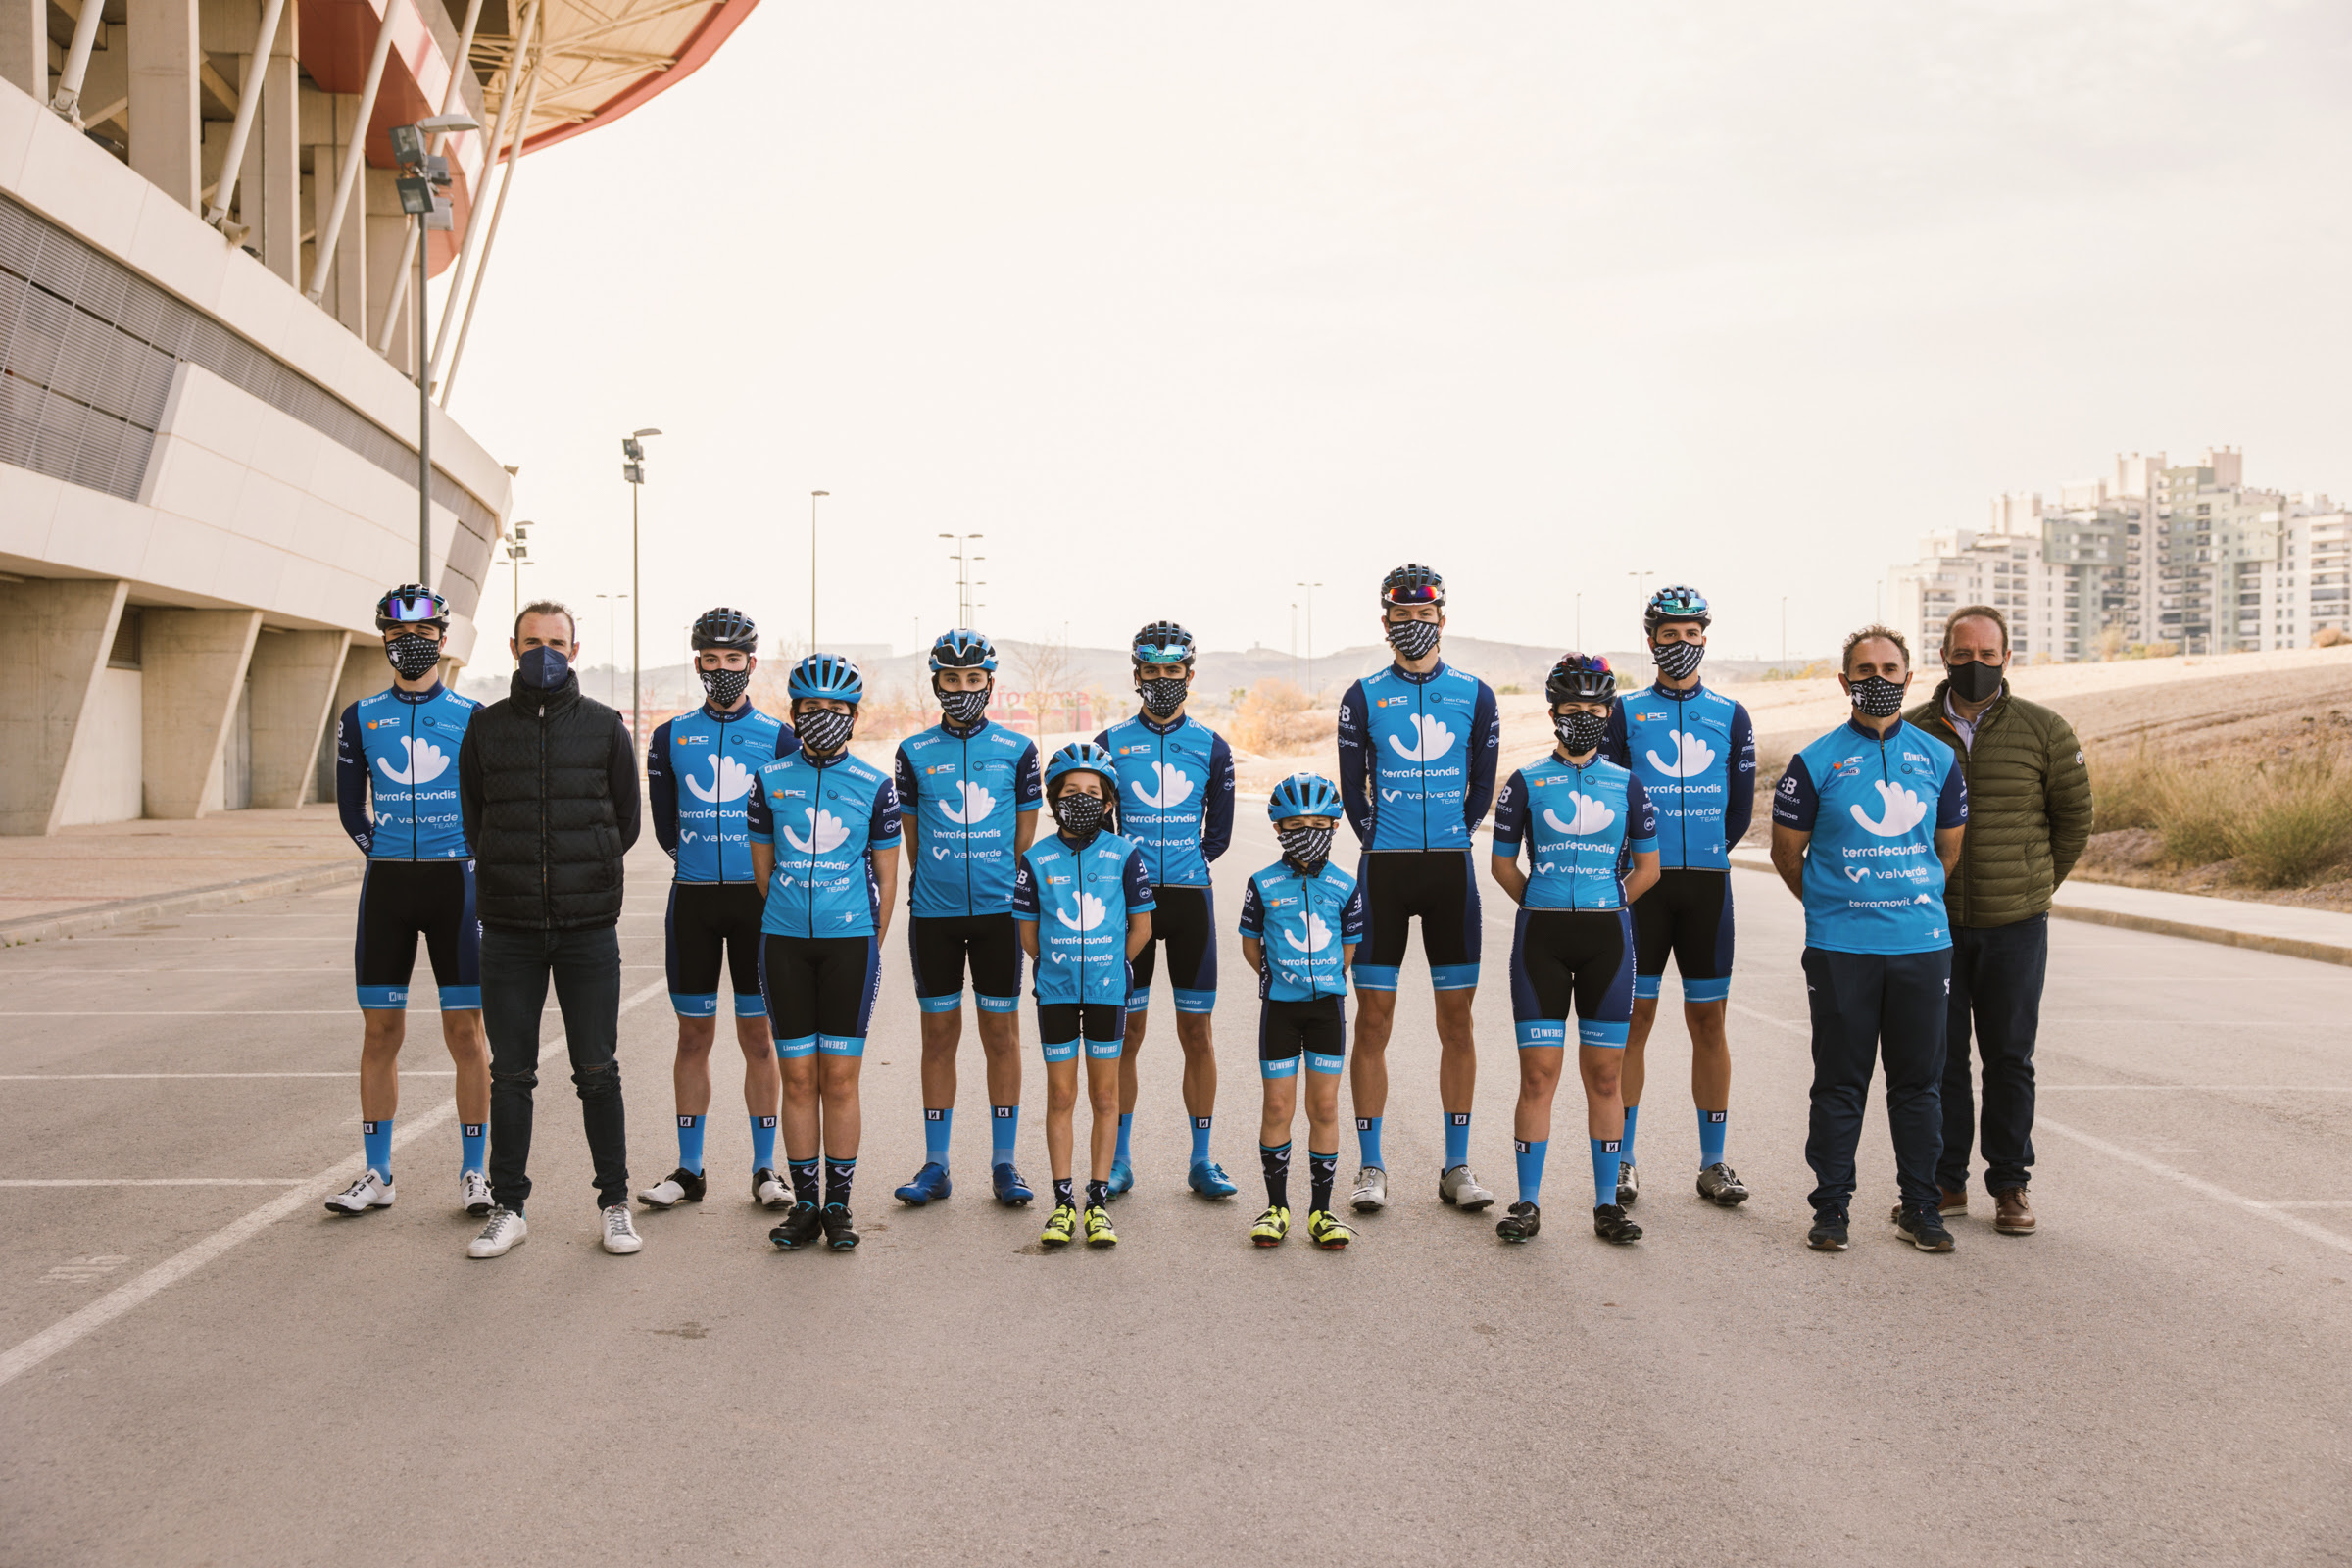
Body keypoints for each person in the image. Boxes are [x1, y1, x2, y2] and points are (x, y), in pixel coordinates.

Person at [1769, 625, 1967, 1254]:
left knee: (1920, 1085)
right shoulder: (1814, 761)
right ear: (1844, 681)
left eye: (1889, 670)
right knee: (1839, 1084)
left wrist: (1908, 900)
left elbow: (1947, 850)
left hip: (1921, 946)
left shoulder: (1939, 759)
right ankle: (1831, 1208)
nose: (1877, 680)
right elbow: (1786, 852)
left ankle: (1920, 1207)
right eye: (1864, 670)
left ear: (1909, 678)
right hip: (1841, 950)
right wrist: (1833, 907)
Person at [456, 601, 644, 1260]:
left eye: (556, 642)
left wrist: (586, 874)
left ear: (575, 650)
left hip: (587, 929)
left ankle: (614, 1205)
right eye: (532, 641)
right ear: (513, 648)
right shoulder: (486, 728)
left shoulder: (603, 726)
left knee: (597, 1071)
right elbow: (475, 817)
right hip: (509, 930)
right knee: (510, 1074)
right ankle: (508, 1208)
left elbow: (626, 822)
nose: (544, 652)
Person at [1905, 605, 2091, 1237]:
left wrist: (2033, 885)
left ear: (2007, 659)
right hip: (1934, 925)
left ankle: (2010, 1183)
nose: (1976, 664)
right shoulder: (1912, 730)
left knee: (2010, 1058)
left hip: (2016, 925)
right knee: (1940, 1059)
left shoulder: (2044, 729)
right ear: (1944, 657)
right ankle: (1946, 1181)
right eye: (1964, 654)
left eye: (1988, 654)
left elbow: (2074, 820)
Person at [1335, 564, 1501, 1214]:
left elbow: (1482, 783)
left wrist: (1458, 831)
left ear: (1441, 618)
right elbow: (1353, 789)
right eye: (1400, 616)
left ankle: (1456, 1166)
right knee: (1372, 1021)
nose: (1413, 625)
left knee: (1456, 1022)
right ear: (1385, 622)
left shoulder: (1475, 694)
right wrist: (1379, 837)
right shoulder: (1362, 696)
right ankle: (1371, 1166)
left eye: (1423, 615)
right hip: (1384, 872)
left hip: (1450, 872)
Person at [324, 584, 490, 1220]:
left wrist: (468, 852)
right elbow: (350, 807)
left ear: (443, 641)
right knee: (380, 1031)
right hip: (388, 887)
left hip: (457, 887)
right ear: (383, 641)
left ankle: (475, 1173)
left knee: (466, 1032)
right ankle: (378, 1173)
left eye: (422, 634)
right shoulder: (360, 716)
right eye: (397, 635)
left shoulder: (473, 715)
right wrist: (385, 849)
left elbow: (490, 802)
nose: (410, 644)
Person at [1490, 655, 1659, 1245]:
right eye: (1571, 707)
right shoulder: (1525, 781)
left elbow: (1648, 868)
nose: (1583, 716)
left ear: (1609, 713)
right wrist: (1542, 901)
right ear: (1553, 713)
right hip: (1541, 938)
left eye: (1594, 707)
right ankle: (1527, 1202)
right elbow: (1502, 865)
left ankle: (1607, 1206)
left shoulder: (1628, 784)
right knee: (1538, 1076)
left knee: (1606, 1077)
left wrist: (1606, 902)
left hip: (1606, 939)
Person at [637, 609, 799, 1214]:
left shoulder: (780, 736)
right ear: (698, 663)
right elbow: (665, 825)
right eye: (712, 659)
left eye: (734, 659)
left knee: (759, 1038)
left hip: (757, 904)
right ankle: (690, 1170)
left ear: (751, 664)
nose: (723, 668)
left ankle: (765, 1170)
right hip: (695, 901)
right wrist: (703, 862)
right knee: (692, 1036)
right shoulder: (669, 736)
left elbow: (788, 821)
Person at [1601, 585, 1757, 1209]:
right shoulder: (1625, 712)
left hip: (1707, 887)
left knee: (1709, 1021)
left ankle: (1713, 1162)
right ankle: (1622, 1160)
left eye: (1692, 633)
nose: (1682, 643)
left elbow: (1739, 811)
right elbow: (1610, 795)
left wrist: (1705, 851)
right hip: (1645, 888)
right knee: (1635, 1021)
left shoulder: (1731, 714)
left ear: (1705, 638)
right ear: (1652, 640)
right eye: (1670, 634)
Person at [747, 654, 902, 1252]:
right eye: (811, 708)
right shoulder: (768, 781)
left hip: (850, 946)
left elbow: (887, 880)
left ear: (854, 716)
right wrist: (797, 912)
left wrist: (866, 938)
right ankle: (805, 1204)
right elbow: (765, 873)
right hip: (784, 943)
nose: (823, 717)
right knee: (797, 1076)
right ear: (794, 713)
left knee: (839, 1078)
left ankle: (838, 1204)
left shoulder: (875, 785)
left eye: (836, 709)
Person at [891, 629, 1042, 1207]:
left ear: (989, 683)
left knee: (1001, 1035)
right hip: (935, 917)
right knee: (938, 1037)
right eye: (950, 679)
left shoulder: (1018, 749)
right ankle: (936, 1164)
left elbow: (1023, 843)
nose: (961, 689)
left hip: (1000, 916)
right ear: (936, 683)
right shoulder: (912, 752)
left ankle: (1005, 1163)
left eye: (973, 679)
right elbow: (913, 840)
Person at [1095, 621, 1238, 1200]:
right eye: (1150, 671)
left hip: (1189, 901)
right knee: (1127, 1033)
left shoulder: (1212, 746)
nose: (1161, 680)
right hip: (1129, 905)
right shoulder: (1109, 743)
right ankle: (1119, 1159)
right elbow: (1098, 826)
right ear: (1136, 675)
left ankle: (1201, 1160)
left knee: (1196, 1032)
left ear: (1189, 674)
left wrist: (1184, 864)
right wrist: (1127, 873)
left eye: (1172, 670)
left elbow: (1218, 834)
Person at [1012, 743, 1154, 1249]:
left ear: (1109, 801)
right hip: (1054, 992)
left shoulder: (1124, 854)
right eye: (1070, 790)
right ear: (1054, 798)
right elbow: (1029, 935)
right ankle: (1062, 1204)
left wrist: (1112, 966)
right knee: (1060, 1095)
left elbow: (1142, 927)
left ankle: (1097, 1203)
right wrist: (1055, 964)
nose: (1081, 799)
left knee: (1105, 1095)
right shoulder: (1035, 858)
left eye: (1093, 792)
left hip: (1106, 993)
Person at [1237, 773, 1365, 1250]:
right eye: (1295, 825)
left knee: (1325, 1106)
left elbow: (1348, 950)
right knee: (1277, 1105)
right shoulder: (1262, 883)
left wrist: (1321, 978)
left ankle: (1321, 1212)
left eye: (1317, 824)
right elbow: (1251, 946)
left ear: (1334, 826)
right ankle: (1276, 1208)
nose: (1307, 832)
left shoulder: (1345, 885)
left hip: (1327, 1009)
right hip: (1280, 1010)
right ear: (1278, 828)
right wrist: (1282, 978)